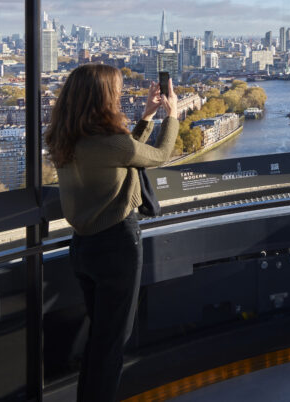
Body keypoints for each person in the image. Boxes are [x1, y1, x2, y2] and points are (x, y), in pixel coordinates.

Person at [46, 64, 179, 402]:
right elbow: (159, 156)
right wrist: (171, 115)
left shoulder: (67, 137)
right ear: (101, 97)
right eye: (116, 91)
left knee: (99, 341)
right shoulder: (109, 143)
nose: (119, 96)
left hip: (83, 248)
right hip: (117, 245)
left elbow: (123, 155)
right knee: (113, 345)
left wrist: (147, 117)